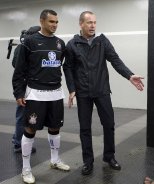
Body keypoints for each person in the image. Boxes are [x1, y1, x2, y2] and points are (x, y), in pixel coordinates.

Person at [63, 11, 144, 175]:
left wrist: (129, 75)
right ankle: (88, 161)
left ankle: (109, 156)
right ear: (81, 24)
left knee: (109, 124)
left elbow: (115, 59)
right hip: (83, 92)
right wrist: (72, 89)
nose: (93, 25)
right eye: (89, 22)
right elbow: (68, 67)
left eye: (94, 22)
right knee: (85, 128)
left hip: (102, 90)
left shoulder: (102, 41)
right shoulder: (72, 44)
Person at [12, 9, 70, 184]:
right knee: (30, 130)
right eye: (51, 21)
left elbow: (61, 67)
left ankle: (55, 160)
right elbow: (19, 70)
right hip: (35, 94)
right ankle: (26, 169)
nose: (54, 25)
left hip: (56, 93)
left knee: (55, 128)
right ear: (42, 21)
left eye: (56, 22)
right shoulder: (29, 42)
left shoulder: (60, 43)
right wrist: (18, 93)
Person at [12, 26, 41, 154]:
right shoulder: (25, 47)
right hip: (25, 87)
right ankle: (19, 143)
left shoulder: (21, 46)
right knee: (22, 115)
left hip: (25, 86)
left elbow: (14, 63)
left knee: (21, 115)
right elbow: (17, 65)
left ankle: (16, 139)